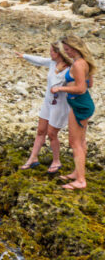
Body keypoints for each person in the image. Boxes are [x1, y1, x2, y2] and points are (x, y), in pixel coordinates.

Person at [51, 35, 97, 190]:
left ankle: (81, 181)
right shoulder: (83, 63)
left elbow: (81, 89)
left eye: (69, 50)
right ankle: (77, 173)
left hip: (80, 105)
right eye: (66, 50)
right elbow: (89, 83)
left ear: (76, 48)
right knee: (80, 141)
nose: (67, 53)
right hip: (80, 104)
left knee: (75, 142)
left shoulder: (78, 64)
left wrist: (60, 88)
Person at [16, 42, 71, 173]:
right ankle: (33, 158)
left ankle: (56, 160)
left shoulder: (70, 68)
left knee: (52, 134)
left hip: (60, 105)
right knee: (41, 131)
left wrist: (61, 88)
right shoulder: (52, 63)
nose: (49, 53)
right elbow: (39, 61)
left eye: (52, 51)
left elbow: (78, 86)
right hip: (47, 102)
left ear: (59, 53)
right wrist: (24, 56)